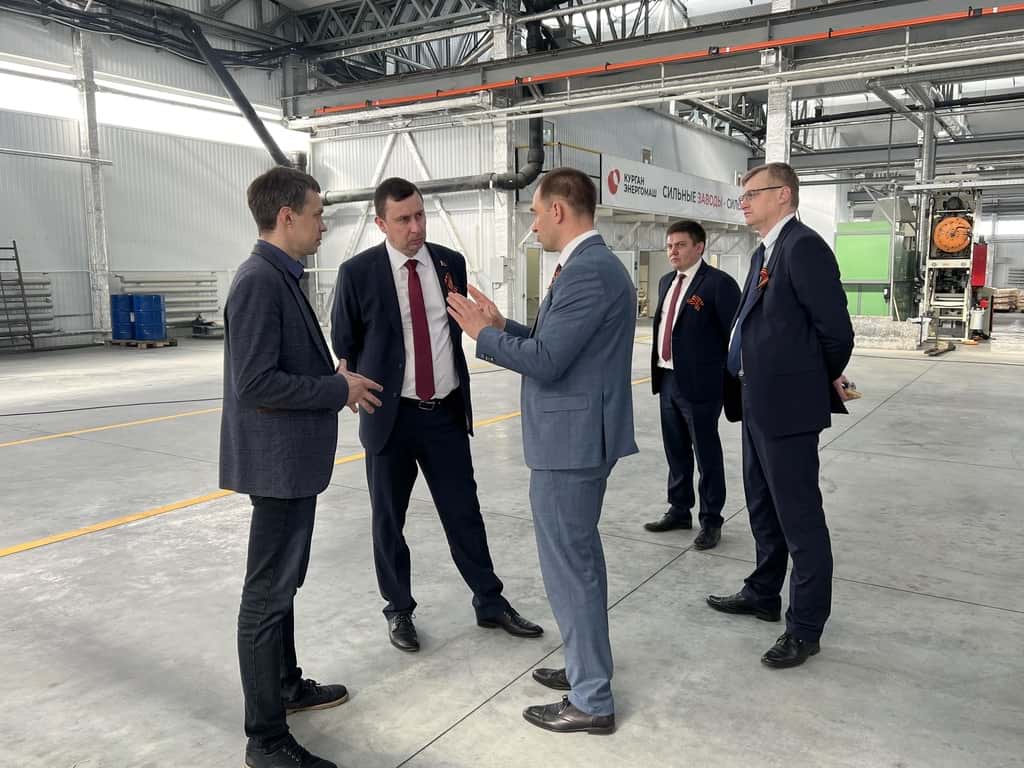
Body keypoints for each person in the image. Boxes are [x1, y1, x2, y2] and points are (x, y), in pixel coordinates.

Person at [447, 167, 637, 735]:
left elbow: (548, 362)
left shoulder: (588, 272)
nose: (532, 225)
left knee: (570, 570)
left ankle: (591, 698)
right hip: (575, 438)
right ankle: (584, 668)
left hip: (569, 444)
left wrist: (483, 336)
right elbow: (557, 344)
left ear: (558, 210)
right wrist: (502, 324)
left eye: (534, 213)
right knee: (579, 563)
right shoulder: (589, 267)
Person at [330, 177, 543, 653]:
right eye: (403, 219)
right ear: (381, 223)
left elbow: (460, 325)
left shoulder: (449, 263)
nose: (416, 227)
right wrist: (349, 378)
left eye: (420, 215)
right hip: (390, 418)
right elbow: (344, 339)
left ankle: (489, 601)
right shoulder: (357, 273)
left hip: (443, 414)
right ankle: (399, 609)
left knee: (464, 512)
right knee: (389, 520)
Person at [221, 166, 383, 768]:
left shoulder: (281, 275)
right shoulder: (259, 281)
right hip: (278, 465)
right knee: (266, 596)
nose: (323, 225)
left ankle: (286, 686)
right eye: (317, 215)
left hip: (290, 463)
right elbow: (256, 382)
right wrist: (336, 389)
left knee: (283, 585)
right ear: (286, 217)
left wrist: (330, 377)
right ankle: (265, 738)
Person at [706, 162, 854, 669]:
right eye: (743, 194)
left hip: (787, 407)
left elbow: (836, 333)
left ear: (784, 196)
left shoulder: (803, 247)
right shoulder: (765, 251)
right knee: (762, 505)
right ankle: (763, 591)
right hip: (756, 401)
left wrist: (806, 381)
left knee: (800, 519)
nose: (743, 202)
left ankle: (806, 628)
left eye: (753, 193)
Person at [644, 219, 740, 550]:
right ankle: (679, 509)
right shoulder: (666, 282)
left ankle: (711, 520)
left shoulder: (718, 284)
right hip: (668, 378)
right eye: (669, 245)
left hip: (702, 385)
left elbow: (736, 336)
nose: (673, 251)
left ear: (699, 247)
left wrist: (729, 377)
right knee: (676, 449)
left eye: (681, 245)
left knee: (706, 453)